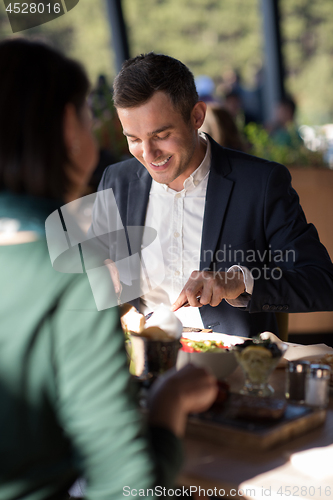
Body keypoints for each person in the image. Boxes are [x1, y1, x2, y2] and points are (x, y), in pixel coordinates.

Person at [0, 39, 218, 500]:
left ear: (195, 119)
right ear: (65, 126)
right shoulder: (67, 272)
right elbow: (127, 487)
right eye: (85, 113)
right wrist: (170, 402)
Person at [89, 52, 333, 339]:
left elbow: (321, 282)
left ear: (197, 116)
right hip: (139, 362)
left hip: (229, 368)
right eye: (133, 139)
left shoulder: (261, 183)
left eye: (161, 135)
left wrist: (242, 280)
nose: (148, 153)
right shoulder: (116, 181)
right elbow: (94, 272)